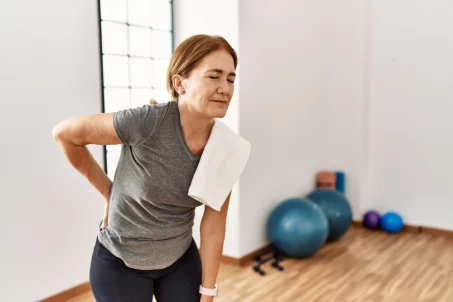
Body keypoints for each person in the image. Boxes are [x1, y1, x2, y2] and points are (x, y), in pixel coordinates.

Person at [52, 34, 238, 302]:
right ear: (180, 83)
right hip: (120, 262)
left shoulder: (227, 147)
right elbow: (65, 134)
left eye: (231, 78)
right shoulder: (147, 122)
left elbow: (213, 223)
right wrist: (108, 191)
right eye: (214, 76)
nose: (225, 88)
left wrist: (208, 292)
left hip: (179, 260)